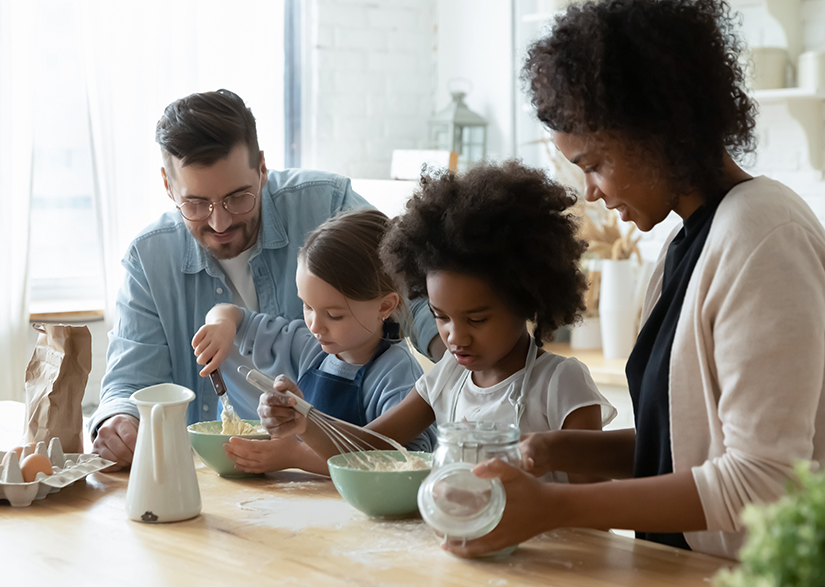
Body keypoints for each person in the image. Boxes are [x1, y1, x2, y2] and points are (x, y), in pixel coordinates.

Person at [436, 0, 825, 560]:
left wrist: (553, 508)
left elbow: (761, 484)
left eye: (594, 163)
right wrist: (561, 451)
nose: (589, 191)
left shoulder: (765, 238)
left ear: (660, 129)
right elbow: (691, 448)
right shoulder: (687, 245)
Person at [89, 89, 442, 470]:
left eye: (238, 197)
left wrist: (457, 353)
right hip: (222, 480)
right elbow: (130, 382)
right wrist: (119, 422)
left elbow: (416, 289)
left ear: (261, 168)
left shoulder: (327, 204)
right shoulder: (148, 258)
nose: (219, 222)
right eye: (196, 204)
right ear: (168, 186)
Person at [257, 161, 616, 484]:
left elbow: (595, 514)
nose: (455, 337)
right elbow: (366, 449)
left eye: (476, 319)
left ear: (528, 301)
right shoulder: (449, 376)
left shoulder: (561, 384)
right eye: (440, 316)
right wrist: (304, 420)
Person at [191, 209, 435, 475]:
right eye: (307, 306)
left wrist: (296, 455)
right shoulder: (308, 347)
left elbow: (408, 462)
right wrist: (221, 325)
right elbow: (233, 315)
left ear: (385, 306)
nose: (315, 325)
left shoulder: (396, 374)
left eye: (334, 315)